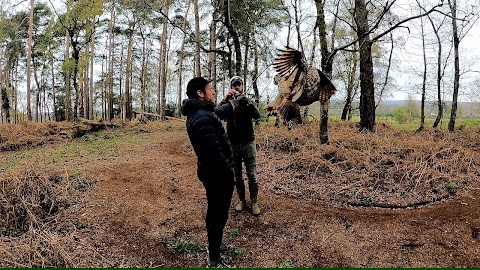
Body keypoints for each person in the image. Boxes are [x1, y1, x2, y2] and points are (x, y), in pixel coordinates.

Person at [181, 76, 235, 267]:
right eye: (210, 89)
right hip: (218, 176)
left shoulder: (201, 113)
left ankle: (214, 246)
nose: (214, 92)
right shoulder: (202, 118)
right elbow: (215, 156)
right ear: (200, 93)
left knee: (215, 213)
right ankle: (214, 259)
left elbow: (218, 112)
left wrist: (229, 102)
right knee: (218, 215)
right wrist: (230, 174)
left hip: (212, 174)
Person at [220, 76, 261, 216]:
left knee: (252, 175)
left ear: (242, 86)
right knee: (237, 176)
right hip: (232, 144)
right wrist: (226, 99)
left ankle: (254, 202)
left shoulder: (246, 101)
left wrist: (247, 102)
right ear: (231, 87)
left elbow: (257, 115)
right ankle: (242, 201)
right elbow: (217, 115)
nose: (237, 87)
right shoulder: (227, 103)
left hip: (248, 142)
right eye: (234, 85)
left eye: (239, 85)